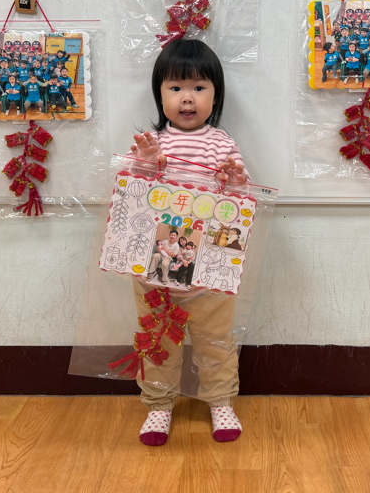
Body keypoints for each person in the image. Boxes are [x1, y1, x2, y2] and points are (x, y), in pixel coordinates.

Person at [129, 39, 247, 447]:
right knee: (157, 337)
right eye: (175, 87)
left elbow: (238, 200)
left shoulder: (221, 144)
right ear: (159, 93)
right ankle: (159, 404)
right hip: (156, 262)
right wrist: (144, 166)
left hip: (211, 262)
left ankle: (220, 400)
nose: (187, 98)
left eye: (199, 87)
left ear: (215, 95)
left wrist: (235, 181)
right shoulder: (151, 142)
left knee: (215, 338)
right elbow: (134, 198)